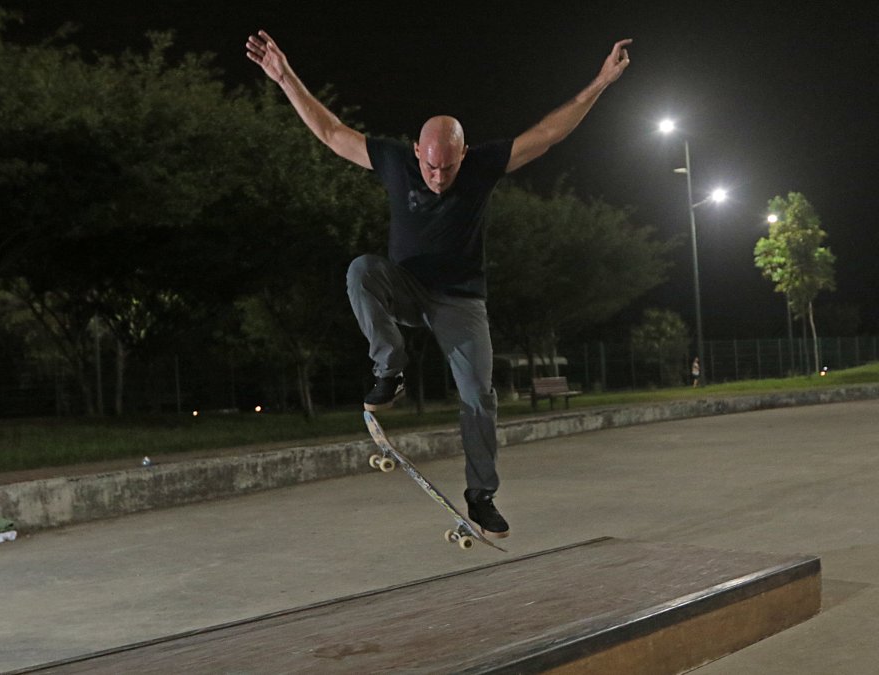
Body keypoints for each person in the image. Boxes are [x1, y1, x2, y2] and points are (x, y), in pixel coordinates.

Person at [246, 30, 631, 538]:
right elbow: (331, 132)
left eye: (448, 167)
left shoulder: (483, 164)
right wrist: (285, 77)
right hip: (405, 286)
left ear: (463, 153)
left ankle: (482, 496)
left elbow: (548, 133)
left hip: (461, 301)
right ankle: (390, 369)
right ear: (416, 152)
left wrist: (600, 82)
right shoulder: (392, 159)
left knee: (478, 395)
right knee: (361, 268)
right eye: (430, 166)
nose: (439, 177)